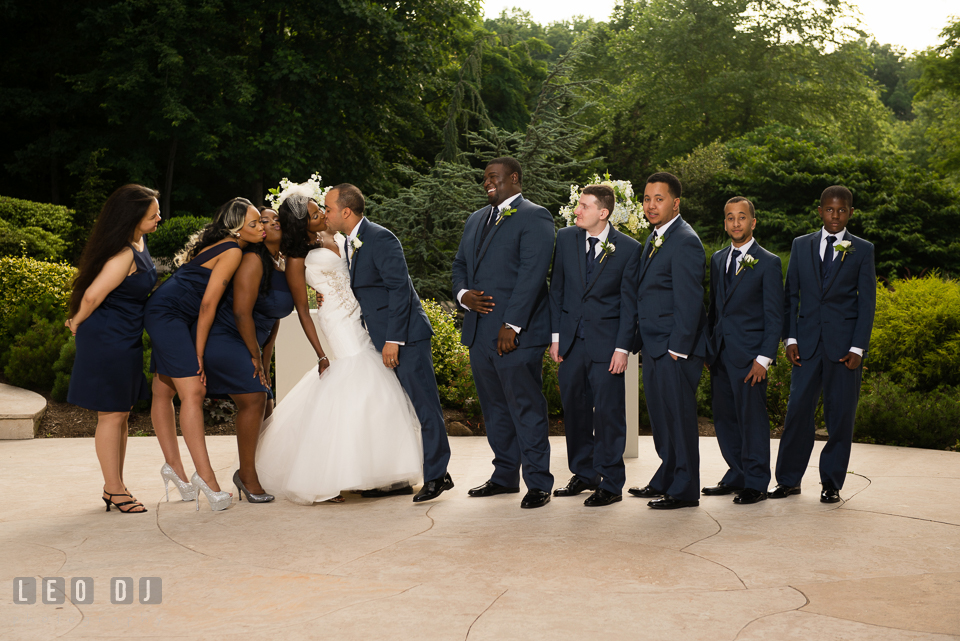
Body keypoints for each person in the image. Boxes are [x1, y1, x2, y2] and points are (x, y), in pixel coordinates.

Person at [254, 188, 425, 504]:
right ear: (303, 223)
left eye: (322, 211)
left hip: (361, 316)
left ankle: (388, 473)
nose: (322, 216)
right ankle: (335, 475)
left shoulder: (343, 238)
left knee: (377, 387)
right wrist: (320, 354)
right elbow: (303, 311)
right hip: (336, 320)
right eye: (315, 214)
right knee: (360, 381)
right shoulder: (296, 258)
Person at [322, 183, 453, 503]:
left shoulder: (381, 238)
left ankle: (437, 476)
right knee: (400, 407)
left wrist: (394, 340)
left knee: (424, 406)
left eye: (328, 209)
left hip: (406, 337)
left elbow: (400, 291)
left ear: (346, 211)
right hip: (377, 338)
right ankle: (427, 470)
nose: (326, 215)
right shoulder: (350, 242)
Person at [145, 197, 264, 511]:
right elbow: (209, 304)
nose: (261, 227)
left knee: (162, 389)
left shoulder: (222, 244)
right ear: (237, 230)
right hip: (168, 314)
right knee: (194, 390)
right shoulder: (234, 250)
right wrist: (198, 354)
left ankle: (177, 472)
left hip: (170, 311)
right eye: (254, 224)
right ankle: (207, 480)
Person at [452, 157, 556, 509]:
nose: (487, 183)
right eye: (484, 178)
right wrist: (462, 294)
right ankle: (504, 476)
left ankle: (539, 482)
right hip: (479, 332)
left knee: (525, 406)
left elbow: (532, 273)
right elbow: (460, 265)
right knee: (495, 409)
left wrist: (512, 324)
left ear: (513, 178)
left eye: (493, 177)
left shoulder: (535, 216)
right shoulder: (475, 219)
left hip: (517, 335)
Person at [772, 185, 876, 503]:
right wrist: (790, 338)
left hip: (844, 349)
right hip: (805, 345)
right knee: (797, 413)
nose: (835, 215)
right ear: (819, 211)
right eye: (829, 210)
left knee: (840, 416)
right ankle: (789, 480)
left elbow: (867, 302)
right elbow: (791, 296)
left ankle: (831, 483)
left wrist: (858, 347)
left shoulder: (862, 249)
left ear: (851, 213)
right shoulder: (801, 245)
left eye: (841, 210)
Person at [66, 184, 161, 514]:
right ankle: (113, 488)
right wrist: (76, 320)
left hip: (125, 337)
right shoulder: (123, 254)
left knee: (121, 412)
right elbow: (92, 295)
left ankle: (116, 485)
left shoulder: (139, 241)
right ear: (134, 216)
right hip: (107, 339)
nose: (159, 217)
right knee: (112, 414)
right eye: (153, 214)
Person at [548, 184, 641, 507]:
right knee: (574, 411)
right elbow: (557, 290)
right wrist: (556, 338)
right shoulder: (565, 238)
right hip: (571, 343)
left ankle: (611, 482)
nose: (577, 211)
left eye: (584, 206)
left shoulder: (629, 249)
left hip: (607, 347)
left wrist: (622, 348)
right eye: (578, 205)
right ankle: (584, 474)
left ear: (603, 213)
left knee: (609, 414)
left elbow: (630, 305)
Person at [200, 206, 293, 504]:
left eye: (276, 219)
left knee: (266, 400)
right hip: (226, 337)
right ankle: (247, 476)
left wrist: (265, 363)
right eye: (263, 220)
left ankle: (257, 468)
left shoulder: (284, 264)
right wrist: (254, 355)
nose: (270, 223)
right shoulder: (253, 260)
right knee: (253, 398)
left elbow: (273, 320)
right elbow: (241, 313)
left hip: (253, 341)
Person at [627, 172, 707, 510]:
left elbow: (690, 300)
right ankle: (667, 477)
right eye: (647, 199)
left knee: (679, 420)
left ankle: (685, 490)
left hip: (675, 350)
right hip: (655, 346)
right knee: (662, 420)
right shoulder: (656, 237)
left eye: (659, 199)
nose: (651, 205)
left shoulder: (685, 239)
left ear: (676, 203)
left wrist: (677, 348)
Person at [703, 197, 783, 505]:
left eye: (741, 217)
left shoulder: (768, 262)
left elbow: (774, 316)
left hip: (751, 358)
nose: (735, 223)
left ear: (753, 221)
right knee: (724, 419)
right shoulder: (718, 258)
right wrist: (711, 349)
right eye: (730, 218)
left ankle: (757, 481)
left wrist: (763, 359)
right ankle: (736, 473)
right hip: (721, 356)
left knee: (752, 420)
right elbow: (714, 309)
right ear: (725, 223)